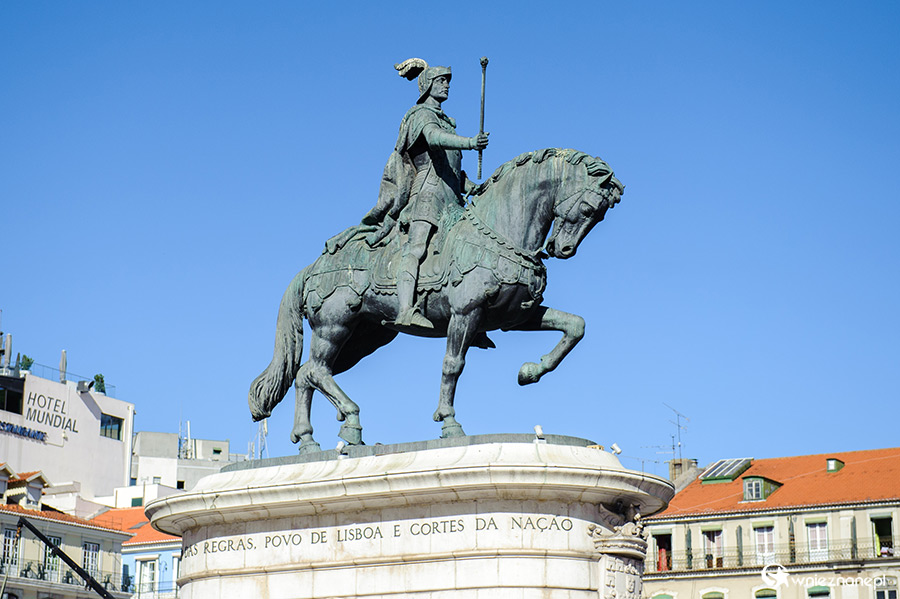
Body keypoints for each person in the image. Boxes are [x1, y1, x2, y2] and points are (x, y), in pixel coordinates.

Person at [363, 58, 489, 329]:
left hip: (451, 199)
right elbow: (432, 138)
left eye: (448, 82)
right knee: (417, 248)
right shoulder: (420, 116)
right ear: (428, 85)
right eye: (441, 81)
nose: (446, 86)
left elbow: (453, 172)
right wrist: (469, 142)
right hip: (427, 195)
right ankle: (406, 309)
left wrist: (475, 188)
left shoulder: (448, 123)